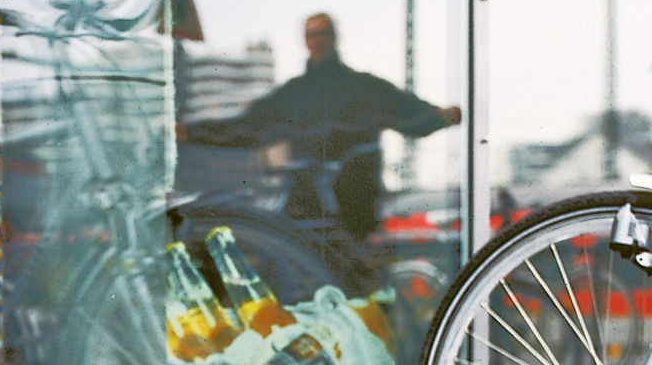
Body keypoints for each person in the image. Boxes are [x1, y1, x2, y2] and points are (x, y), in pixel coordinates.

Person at [186, 12, 461, 246]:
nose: (317, 40)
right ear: (305, 42)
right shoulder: (294, 95)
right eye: (311, 35)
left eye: (323, 33)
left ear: (334, 37)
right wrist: (190, 133)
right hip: (306, 215)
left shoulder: (364, 88)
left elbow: (411, 114)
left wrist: (443, 116)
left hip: (357, 215)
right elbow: (246, 129)